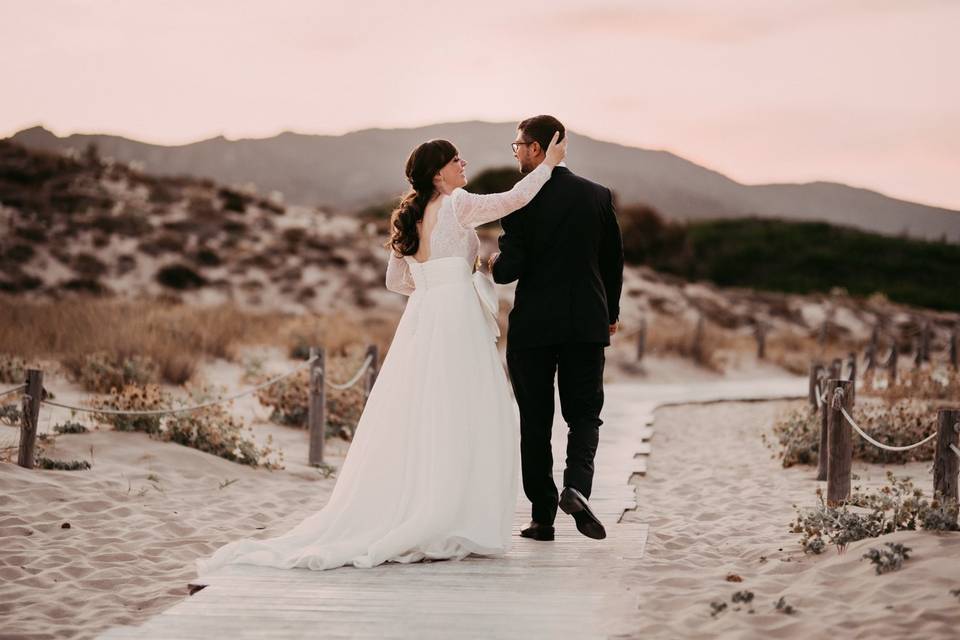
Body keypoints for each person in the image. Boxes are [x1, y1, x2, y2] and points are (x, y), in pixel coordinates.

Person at [194, 131, 566, 574]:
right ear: (438, 173)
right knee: (467, 411)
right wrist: (550, 164)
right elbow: (513, 199)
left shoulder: (414, 215)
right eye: (455, 159)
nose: (463, 164)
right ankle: (450, 515)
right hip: (454, 318)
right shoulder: (457, 204)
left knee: (425, 412)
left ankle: (431, 506)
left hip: (425, 316)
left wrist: (431, 284)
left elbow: (396, 281)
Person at [491, 114, 624, 542]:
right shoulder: (597, 195)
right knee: (584, 415)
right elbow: (612, 263)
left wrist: (491, 262)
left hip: (533, 329)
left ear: (536, 149)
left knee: (536, 421)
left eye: (518, 146)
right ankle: (576, 488)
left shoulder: (520, 199)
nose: (515, 153)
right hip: (586, 323)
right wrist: (611, 312)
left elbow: (508, 271)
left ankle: (542, 518)